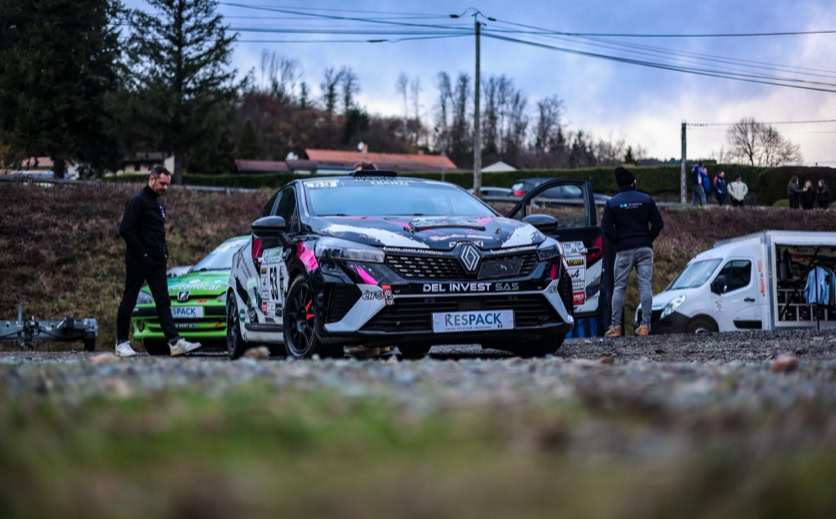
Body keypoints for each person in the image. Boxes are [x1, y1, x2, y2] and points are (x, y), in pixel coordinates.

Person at [115, 165, 202, 357]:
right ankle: (121, 343)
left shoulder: (159, 205)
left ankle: (174, 342)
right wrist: (143, 254)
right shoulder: (137, 201)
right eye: (162, 183)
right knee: (129, 300)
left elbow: (157, 233)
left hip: (157, 263)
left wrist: (164, 253)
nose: (165, 187)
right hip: (138, 261)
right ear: (151, 179)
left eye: (167, 184)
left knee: (163, 301)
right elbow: (126, 229)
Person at [601, 166, 664, 337]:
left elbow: (605, 228)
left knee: (619, 288)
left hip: (624, 250)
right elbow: (658, 223)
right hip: (644, 248)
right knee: (645, 286)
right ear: (632, 182)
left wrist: (619, 241)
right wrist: (647, 239)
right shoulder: (647, 199)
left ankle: (615, 327)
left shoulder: (612, 203)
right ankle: (645, 326)